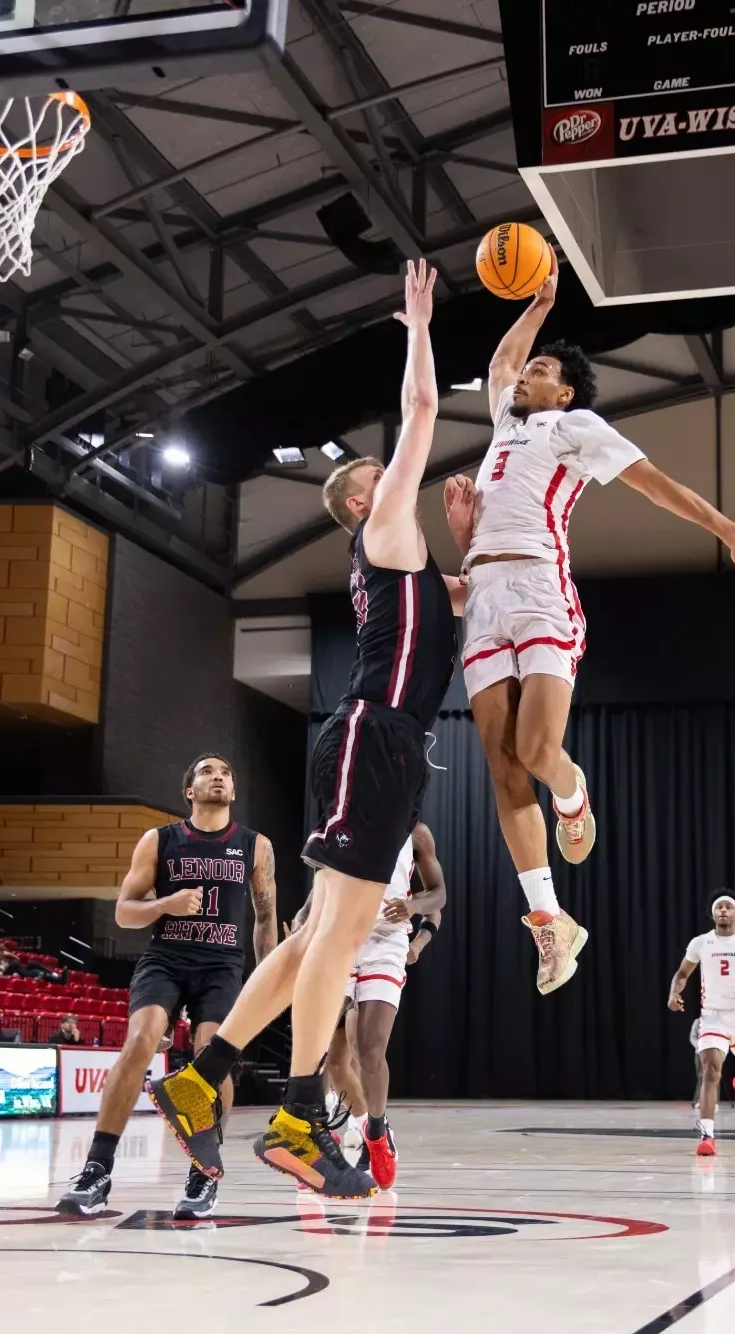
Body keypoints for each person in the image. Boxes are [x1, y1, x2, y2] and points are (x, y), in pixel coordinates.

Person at [150, 259, 458, 1202]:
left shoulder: (401, 568)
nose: (400, 476)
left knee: (319, 930)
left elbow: (464, 602)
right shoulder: (382, 528)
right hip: (380, 736)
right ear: (366, 501)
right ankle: (293, 1121)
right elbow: (421, 417)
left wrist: (480, 540)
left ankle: (204, 1079)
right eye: (384, 478)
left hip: (369, 735)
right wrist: (417, 326)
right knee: (340, 936)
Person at [444, 267, 735, 994]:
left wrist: (728, 532)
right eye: (531, 367)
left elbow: (656, 484)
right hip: (482, 593)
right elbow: (499, 364)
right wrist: (539, 306)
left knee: (537, 751)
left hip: (541, 588)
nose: (526, 375)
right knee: (500, 762)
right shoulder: (508, 423)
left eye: (542, 371)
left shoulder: (575, 428)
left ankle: (573, 797)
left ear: (564, 392)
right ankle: (551, 924)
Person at [57, 752, 273, 1220]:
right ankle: (97, 1168)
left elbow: (266, 919)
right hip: (166, 959)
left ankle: (203, 1172)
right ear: (190, 791)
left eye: (226, 773)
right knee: (138, 1043)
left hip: (223, 965)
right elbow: (124, 911)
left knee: (209, 1056)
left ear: (233, 791)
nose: (218, 777)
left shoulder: (256, 845)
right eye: (206, 772)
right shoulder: (159, 840)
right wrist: (165, 905)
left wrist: (267, 979)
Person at [340, 821, 446, 1187]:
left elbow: (439, 899)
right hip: (343, 936)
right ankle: (336, 1126)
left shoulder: (415, 833)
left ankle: (376, 1132)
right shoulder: (343, 817)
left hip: (387, 942)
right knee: (345, 1050)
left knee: (370, 1050)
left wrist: (414, 915)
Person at [668, 894, 735, 1157]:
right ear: (713, 914)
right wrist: (673, 992)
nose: (723, 910)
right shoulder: (701, 943)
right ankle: (707, 1135)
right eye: (718, 907)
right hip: (713, 1015)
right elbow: (682, 973)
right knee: (710, 1071)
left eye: (728, 907)